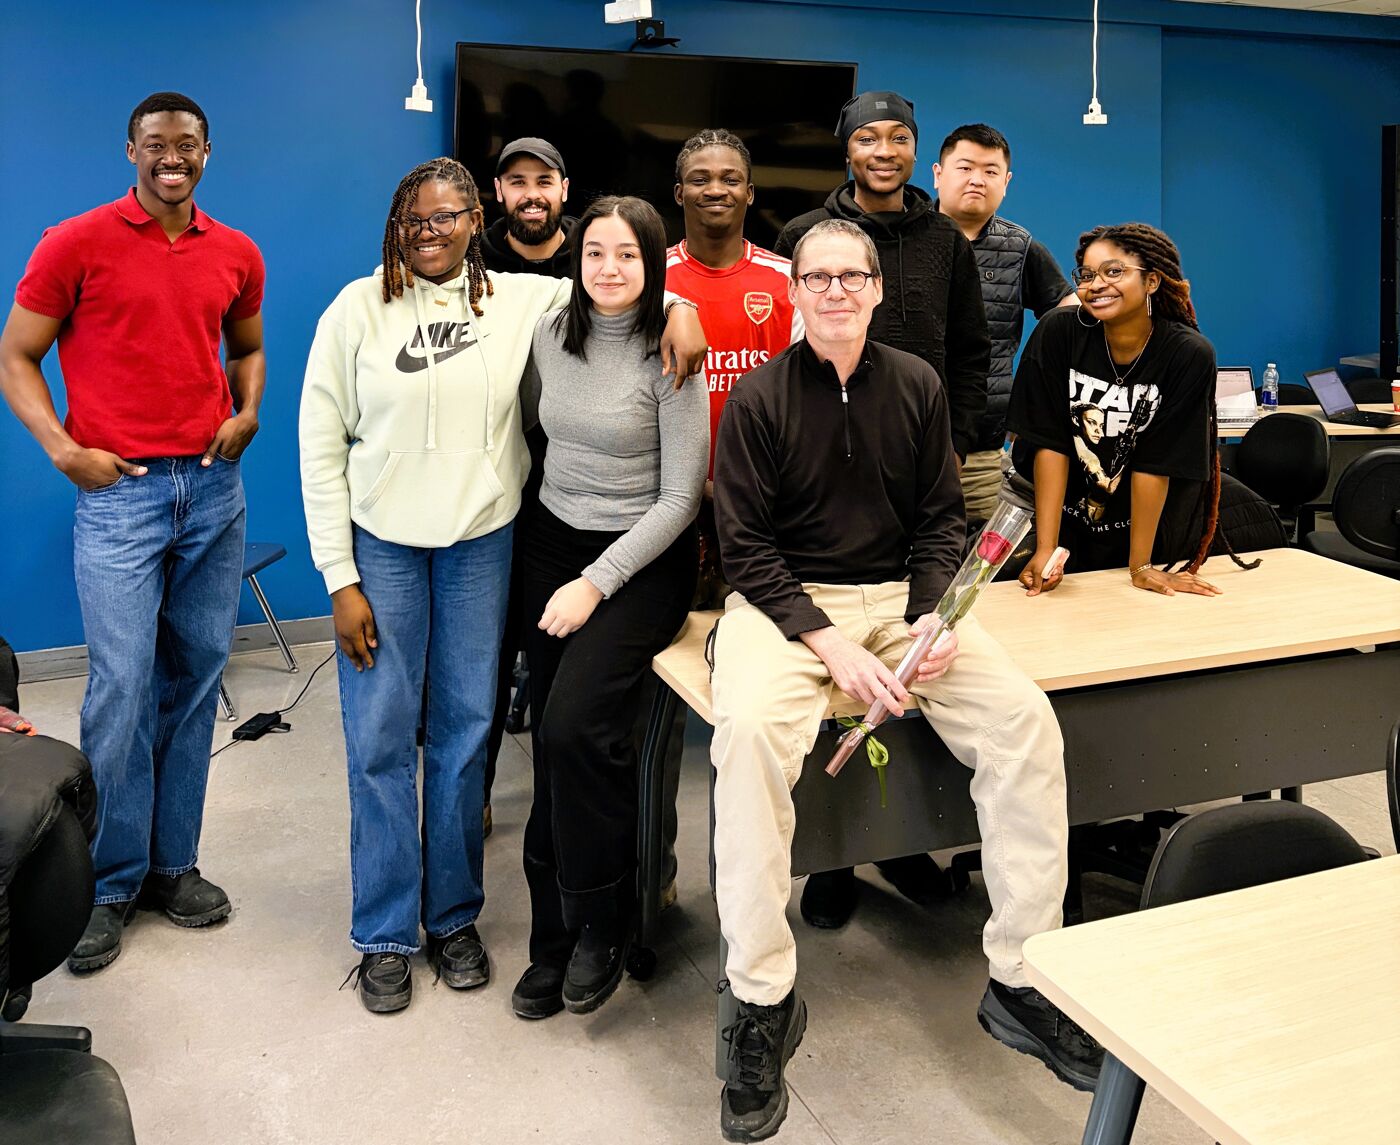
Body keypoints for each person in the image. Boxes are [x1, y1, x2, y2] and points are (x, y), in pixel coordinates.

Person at [708, 219, 1101, 1141]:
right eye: (818, 277)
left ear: (878, 290)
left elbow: (938, 521)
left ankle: (1021, 978)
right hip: (783, 603)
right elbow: (744, 549)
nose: (836, 291)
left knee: (1022, 721)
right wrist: (826, 644)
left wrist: (934, 615)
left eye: (853, 276)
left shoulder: (918, 384)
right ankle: (759, 998)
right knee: (751, 739)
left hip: (899, 597)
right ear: (795, 291)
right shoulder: (760, 397)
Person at [299, 159, 707, 1015]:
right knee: (380, 738)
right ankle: (382, 932)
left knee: (466, 735)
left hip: (484, 546)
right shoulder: (354, 308)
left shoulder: (523, 300)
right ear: (396, 224)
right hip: (384, 553)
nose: (432, 232)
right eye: (416, 219)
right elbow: (319, 446)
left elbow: (621, 296)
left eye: (449, 217)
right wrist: (339, 576)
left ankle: (452, 919)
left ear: (476, 219)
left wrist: (685, 307)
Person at [0, 92, 265, 973]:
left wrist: (249, 408)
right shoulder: (74, 243)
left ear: (208, 151)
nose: (172, 158)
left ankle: (170, 865)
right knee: (121, 684)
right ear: (131, 151)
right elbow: (16, 355)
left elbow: (247, 347)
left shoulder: (235, 252)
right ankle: (106, 885)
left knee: (194, 681)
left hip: (212, 489)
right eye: (156, 145)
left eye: (187, 144)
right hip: (121, 496)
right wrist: (62, 448)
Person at [776, 90, 991, 927]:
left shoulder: (944, 239)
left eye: (901, 136)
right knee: (837, 680)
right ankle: (836, 856)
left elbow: (973, 347)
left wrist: (959, 436)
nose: (886, 149)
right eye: (868, 135)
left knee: (921, 655)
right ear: (846, 149)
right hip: (831, 474)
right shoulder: (802, 236)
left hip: (926, 460)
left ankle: (901, 840)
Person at [512, 196, 708, 1021]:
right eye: (595, 253)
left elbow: (681, 499)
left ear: (654, 261)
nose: (609, 269)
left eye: (628, 255)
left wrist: (597, 580)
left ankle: (601, 919)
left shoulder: (674, 348)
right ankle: (549, 937)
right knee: (552, 746)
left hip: (643, 558)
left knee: (575, 727)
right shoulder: (550, 332)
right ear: (575, 259)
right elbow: (534, 431)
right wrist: (564, 566)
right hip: (551, 542)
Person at [1007, 222, 1243, 596]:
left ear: (1152, 281)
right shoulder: (1059, 332)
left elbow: (1157, 462)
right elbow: (1050, 443)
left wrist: (1141, 566)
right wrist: (1047, 548)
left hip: (1139, 521)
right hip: (1055, 509)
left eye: (1113, 271)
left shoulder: (1188, 354)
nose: (1096, 284)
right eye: (1086, 275)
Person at [478, 137, 575, 841]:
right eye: (518, 182)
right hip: (487, 483)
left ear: (564, 189)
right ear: (498, 190)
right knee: (483, 654)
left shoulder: (599, 257)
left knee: (558, 659)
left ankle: (557, 804)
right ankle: (471, 793)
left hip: (573, 485)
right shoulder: (467, 257)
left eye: (544, 180)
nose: (531, 193)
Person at [932, 123, 1075, 523]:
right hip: (903, 440)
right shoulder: (904, 237)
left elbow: (1071, 317)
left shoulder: (1020, 246)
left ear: (1006, 181)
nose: (978, 179)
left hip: (982, 442)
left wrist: (1031, 398)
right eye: (965, 168)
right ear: (938, 174)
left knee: (975, 560)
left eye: (991, 171)